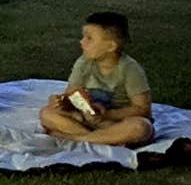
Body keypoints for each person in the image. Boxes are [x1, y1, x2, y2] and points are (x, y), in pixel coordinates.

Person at [40, 11, 154, 147]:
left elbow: (143, 109)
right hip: (85, 119)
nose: (81, 42)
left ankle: (75, 138)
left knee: (141, 127)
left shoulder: (130, 69)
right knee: (47, 114)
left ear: (111, 46)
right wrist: (60, 102)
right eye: (83, 37)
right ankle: (105, 139)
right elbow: (72, 93)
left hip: (115, 121)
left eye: (89, 38)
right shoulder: (84, 62)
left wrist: (107, 115)